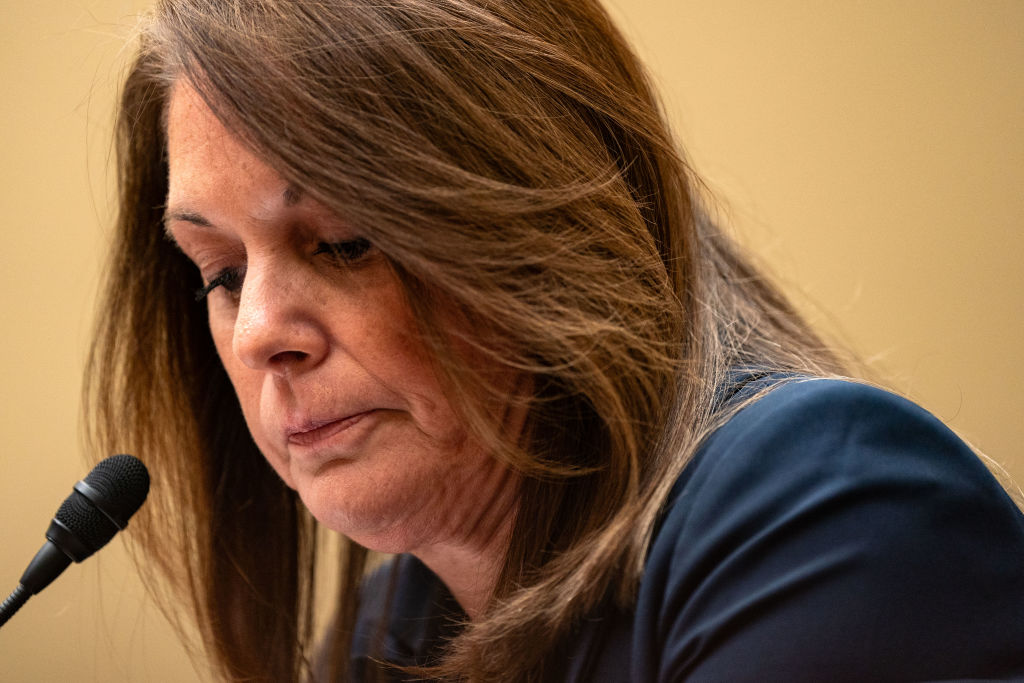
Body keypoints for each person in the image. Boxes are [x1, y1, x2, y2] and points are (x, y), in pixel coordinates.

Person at [85, 1, 1024, 681]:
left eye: (343, 241)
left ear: (541, 233)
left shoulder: (830, 511)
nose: (256, 337)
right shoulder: (393, 632)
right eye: (222, 274)